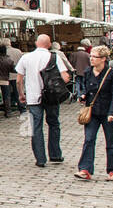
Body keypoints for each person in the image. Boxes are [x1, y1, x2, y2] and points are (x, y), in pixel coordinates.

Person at [15, 33, 71, 168]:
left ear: (36, 43)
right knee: (54, 124)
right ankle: (55, 154)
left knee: (36, 127)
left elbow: (18, 80)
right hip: (51, 96)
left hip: (33, 97)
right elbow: (65, 78)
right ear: (49, 44)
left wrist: (21, 94)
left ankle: (40, 159)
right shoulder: (54, 57)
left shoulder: (26, 57)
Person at [74, 45, 113, 182]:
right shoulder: (88, 71)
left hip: (108, 112)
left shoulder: (112, 74)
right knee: (89, 139)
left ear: (103, 59)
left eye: (94, 57)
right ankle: (85, 169)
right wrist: (82, 95)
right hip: (93, 112)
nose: (91, 59)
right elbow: (85, 88)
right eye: (91, 56)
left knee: (111, 142)